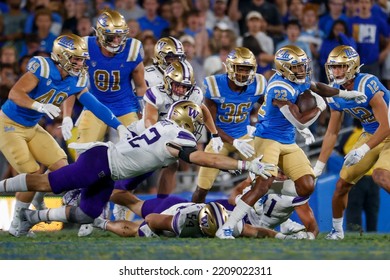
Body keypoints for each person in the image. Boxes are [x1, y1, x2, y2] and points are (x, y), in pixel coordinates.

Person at [0, 100, 275, 236]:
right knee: (45, 183)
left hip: (109, 169)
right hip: (101, 162)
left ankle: (33, 218)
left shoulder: (165, 127)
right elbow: (206, 159)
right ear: (188, 123)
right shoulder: (179, 137)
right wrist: (243, 163)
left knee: (86, 214)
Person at [215, 45, 369, 239]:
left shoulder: (298, 78)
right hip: (268, 139)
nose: (302, 71)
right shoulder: (279, 87)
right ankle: (227, 227)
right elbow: (299, 122)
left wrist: (346, 94)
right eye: (296, 67)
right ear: (284, 68)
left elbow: (318, 86)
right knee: (261, 186)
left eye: (303, 66)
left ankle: (266, 185)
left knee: (307, 185)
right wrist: (320, 107)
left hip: (287, 140)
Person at [0, 33, 131, 237]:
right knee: (32, 173)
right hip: (8, 124)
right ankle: (18, 222)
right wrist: (38, 105)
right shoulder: (42, 68)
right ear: (62, 56)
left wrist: (118, 125)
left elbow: (93, 104)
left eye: (82, 59)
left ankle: (35, 201)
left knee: (63, 169)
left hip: (32, 126)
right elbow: (15, 94)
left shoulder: (76, 78)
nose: (80, 64)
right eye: (76, 59)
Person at [313, 45, 390, 240]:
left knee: (381, 176)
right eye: (334, 67)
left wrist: (363, 149)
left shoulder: (367, 83)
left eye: (341, 67)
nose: (336, 71)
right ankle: (337, 231)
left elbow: (386, 126)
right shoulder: (335, 93)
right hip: (372, 134)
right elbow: (332, 132)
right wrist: (319, 166)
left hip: (386, 132)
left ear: (353, 66)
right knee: (341, 186)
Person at [192, 46, 267, 203]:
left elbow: (269, 108)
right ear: (229, 67)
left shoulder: (258, 84)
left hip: (245, 137)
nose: (244, 73)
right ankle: (191, 216)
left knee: (266, 174)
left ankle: (262, 213)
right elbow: (209, 121)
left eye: (247, 69)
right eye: (240, 69)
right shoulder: (215, 85)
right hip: (219, 139)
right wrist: (233, 141)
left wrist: (260, 124)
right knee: (202, 187)